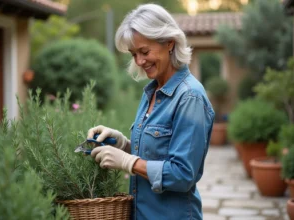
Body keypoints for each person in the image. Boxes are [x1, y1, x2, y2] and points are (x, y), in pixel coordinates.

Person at [87, 3, 214, 220]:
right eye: (133, 53)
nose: (139, 61)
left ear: (169, 43)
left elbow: (183, 174)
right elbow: (155, 153)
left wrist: (128, 162)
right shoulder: (152, 92)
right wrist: (122, 145)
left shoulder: (189, 97)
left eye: (144, 51)